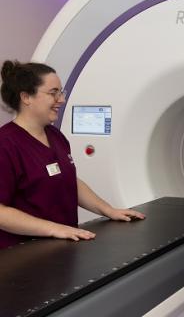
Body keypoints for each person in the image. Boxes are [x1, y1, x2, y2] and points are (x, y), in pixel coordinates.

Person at [0, 60, 145, 250]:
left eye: (61, 93)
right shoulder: (6, 144)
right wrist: (54, 229)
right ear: (26, 97)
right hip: (22, 254)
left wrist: (109, 210)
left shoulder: (55, 136)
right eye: (54, 93)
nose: (61, 99)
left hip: (61, 247)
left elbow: (69, 181)